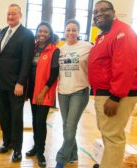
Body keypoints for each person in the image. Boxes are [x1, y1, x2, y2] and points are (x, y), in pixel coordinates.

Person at [88, 0, 137, 168]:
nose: (99, 14)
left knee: (113, 137)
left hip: (116, 93)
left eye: (104, 10)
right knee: (109, 134)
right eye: (95, 12)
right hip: (106, 91)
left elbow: (125, 67)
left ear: (114, 12)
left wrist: (115, 96)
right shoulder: (107, 34)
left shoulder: (122, 33)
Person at [0, 3, 35, 162]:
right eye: (8, 14)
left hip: (15, 85)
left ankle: (17, 149)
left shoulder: (27, 35)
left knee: (16, 118)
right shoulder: (3, 31)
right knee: (3, 115)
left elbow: (26, 61)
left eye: (13, 14)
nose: (10, 17)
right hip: (1, 83)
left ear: (20, 15)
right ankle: (7, 142)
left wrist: (20, 83)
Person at [55, 20, 92, 168]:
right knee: (67, 126)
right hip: (63, 91)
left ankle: (61, 159)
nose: (71, 32)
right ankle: (73, 155)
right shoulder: (61, 50)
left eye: (74, 30)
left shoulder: (87, 47)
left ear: (79, 31)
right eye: (68, 30)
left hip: (80, 91)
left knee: (70, 126)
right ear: (64, 32)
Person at [26, 22, 59, 168]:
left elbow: (54, 74)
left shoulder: (54, 50)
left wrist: (42, 92)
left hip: (43, 91)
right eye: (40, 31)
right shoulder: (33, 48)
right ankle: (35, 146)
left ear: (50, 34)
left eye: (45, 32)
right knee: (34, 120)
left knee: (40, 122)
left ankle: (41, 152)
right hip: (32, 90)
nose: (42, 34)